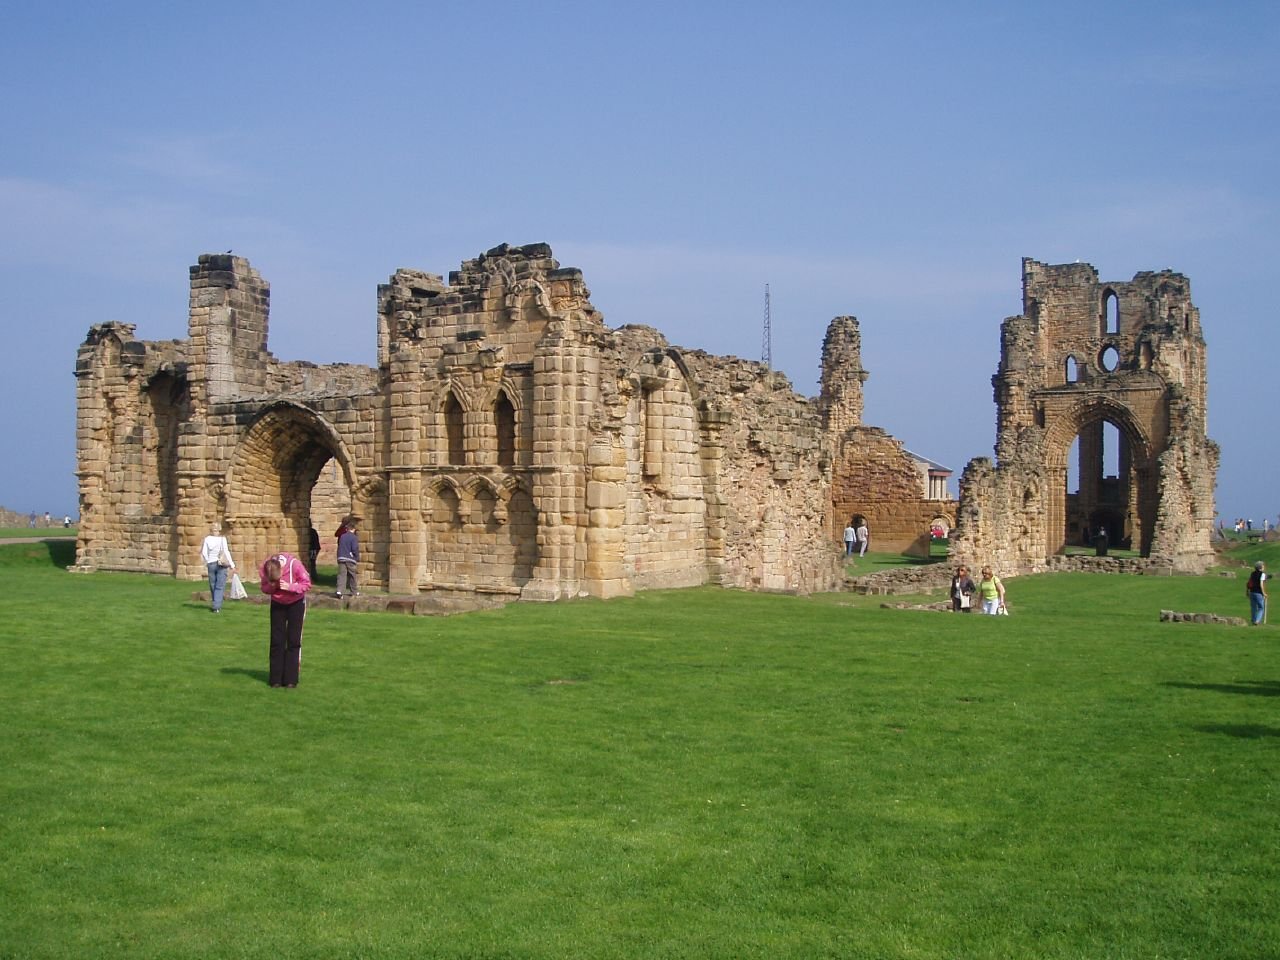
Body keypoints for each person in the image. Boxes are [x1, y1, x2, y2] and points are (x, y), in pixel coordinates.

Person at [259, 551, 312, 688]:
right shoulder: (266, 567)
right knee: (277, 640)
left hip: (296, 603)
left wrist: (291, 587)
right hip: (277, 604)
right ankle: (275, 679)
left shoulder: (295, 565)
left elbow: (307, 584)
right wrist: (272, 587)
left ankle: (291, 679)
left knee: (293, 640)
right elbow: (264, 588)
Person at [199, 522, 235, 613]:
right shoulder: (222, 539)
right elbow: (226, 552)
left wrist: (207, 561)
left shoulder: (207, 539)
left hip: (211, 563)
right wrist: (232, 565)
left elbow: (204, 552)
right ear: (219, 530)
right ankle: (216, 606)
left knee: (213, 584)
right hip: (221, 564)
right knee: (220, 585)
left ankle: (215, 603)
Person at [336, 518, 360, 598]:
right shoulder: (353, 537)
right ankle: (354, 591)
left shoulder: (342, 536)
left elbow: (340, 546)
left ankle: (339, 591)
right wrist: (356, 557)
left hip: (341, 557)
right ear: (353, 529)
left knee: (342, 575)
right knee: (352, 575)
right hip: (350, 558)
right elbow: (354, 548)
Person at [1246, 561, 1268, 626]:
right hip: (1258, 593)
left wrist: (1247, 591)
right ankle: (1257, 620)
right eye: (1263, 566)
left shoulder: (1252, 573)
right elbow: (1261, 584)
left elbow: (1249, 582)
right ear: (1261, 567)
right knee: (1261, 607)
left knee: (1253, 607)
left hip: (1252, 592)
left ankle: (1253, 620)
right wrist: (1264, 593)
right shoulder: (1262, 574)